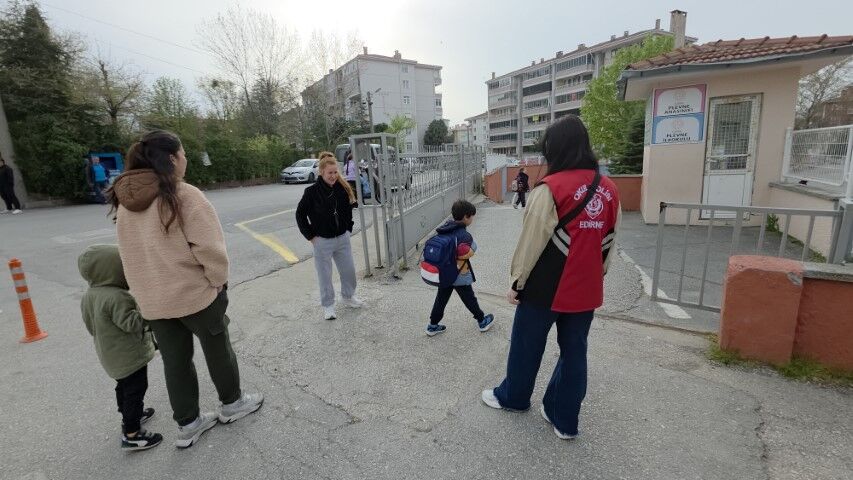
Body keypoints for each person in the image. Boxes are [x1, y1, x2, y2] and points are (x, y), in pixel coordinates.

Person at [109, 130, 263, 449]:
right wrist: (218, 280)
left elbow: (128, 255)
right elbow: (209, 248)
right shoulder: (183, 194)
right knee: (218, 349)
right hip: (195, 294)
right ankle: (232, 403)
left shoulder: (125, 204)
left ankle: (188, 423)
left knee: (175, 361)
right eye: (183, 153)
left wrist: (142, 292)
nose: (186, 159)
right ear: (171, 158)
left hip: (153, 300)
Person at [481, 115, 620, 440]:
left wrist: (517, 283)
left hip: (546, 287)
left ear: (554, 149)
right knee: (574, 352)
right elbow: (610, 240)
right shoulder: (609, 189)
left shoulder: (551, 188)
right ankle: (564, 418)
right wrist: (596, 275)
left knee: (527, 346)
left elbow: (531, 242)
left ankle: (514, 398)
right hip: (586, 288)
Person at [78, 244, 163, 451]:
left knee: (123, 387)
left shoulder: (89, 296)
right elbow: (132, 324)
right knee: (136, 390)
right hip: (129, 356)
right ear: (111, 271)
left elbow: (90, 325)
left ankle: (128, 415)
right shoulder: (117, 296)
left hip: (110, 355)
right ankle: (132, 433)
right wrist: (149, 313)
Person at [296, 152, 364, 321]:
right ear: (321, 172)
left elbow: (348, 211)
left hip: (342, 239)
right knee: (325, 276)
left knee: (349, 271)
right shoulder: (311, 192)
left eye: (335, 172)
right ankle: (328, 306)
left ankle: (348, 296)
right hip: (322, 241)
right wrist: (311, 236)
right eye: (329, 173)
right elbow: (300, 215)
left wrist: (348, 228)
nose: (333, 176)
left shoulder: (342, 188)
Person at [426, 200, 494, 336]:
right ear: (466, 217)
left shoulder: (444, 229)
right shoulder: (464, 235)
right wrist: (473, 246)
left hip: (444, 272)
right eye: (472, 216)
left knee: (441, 299)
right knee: (469, 298)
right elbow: (465, 252)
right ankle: (482, 321)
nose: (472, 219)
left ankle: (432, 325)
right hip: (459, 273)